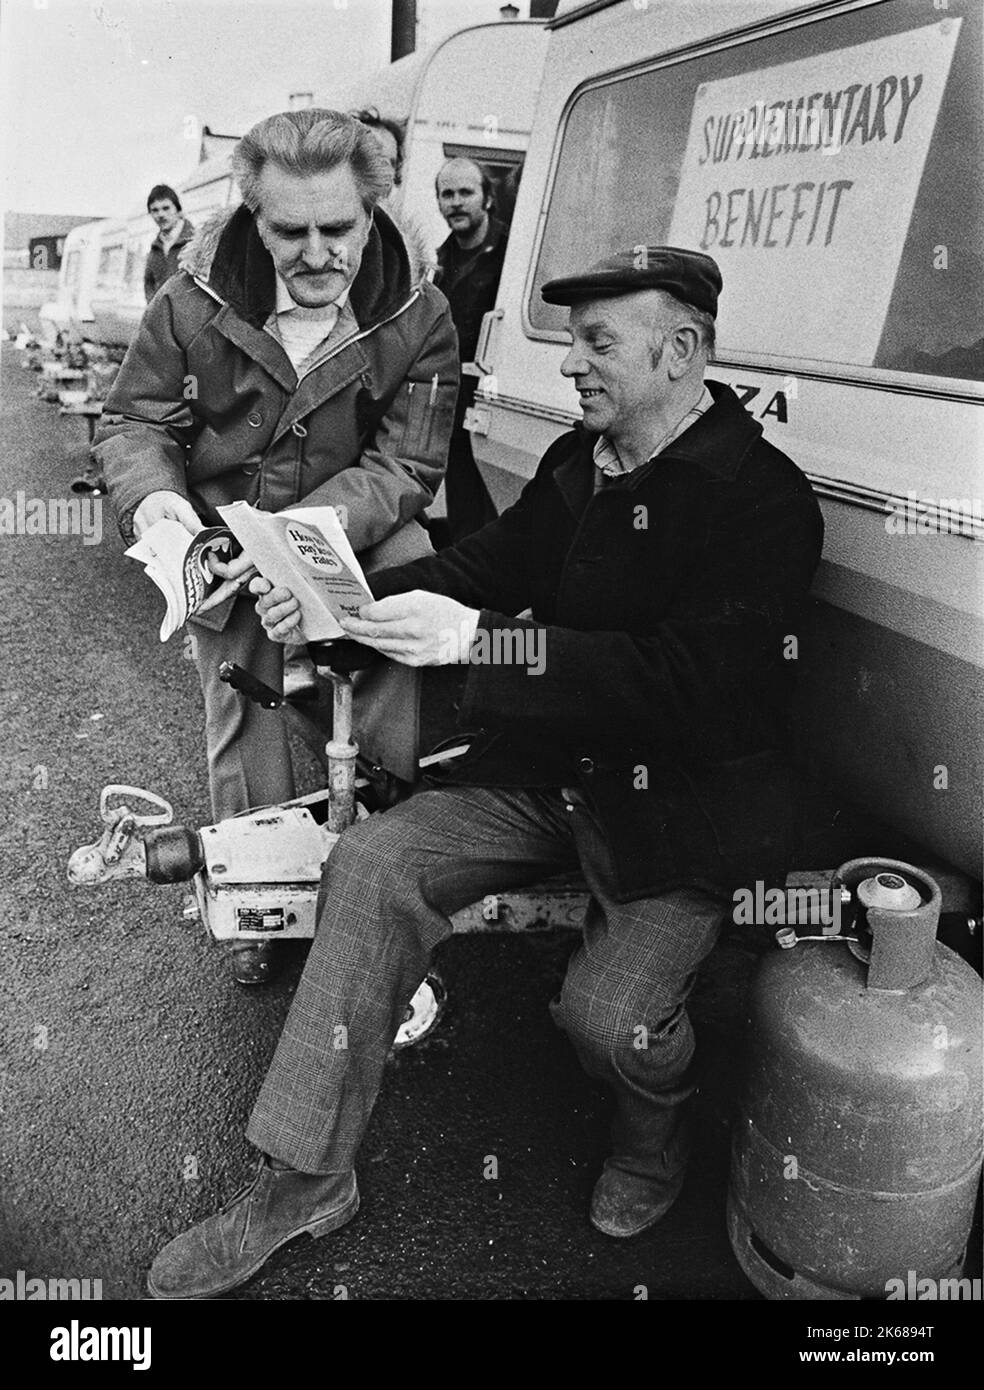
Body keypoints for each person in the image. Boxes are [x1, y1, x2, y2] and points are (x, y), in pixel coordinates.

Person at [144, 245, 824, 1299]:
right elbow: (483, 569)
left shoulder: (764, 504)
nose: (573, 369)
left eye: (598, 344)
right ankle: (307, 1177)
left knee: (612, 1021)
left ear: (682, 349)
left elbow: (692, 685)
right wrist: (348, 611)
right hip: (546, 771)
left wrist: (486, 642)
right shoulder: (580, 463)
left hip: (680, 808)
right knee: (370, 864)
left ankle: (652, 1135)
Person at [93, 110, 459, 984]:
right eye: (289, 231)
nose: (317, 253)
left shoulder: (421, 311)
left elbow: (409, 459)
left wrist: (299, 538)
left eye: (338, 228)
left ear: (372, 214)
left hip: (354, 528)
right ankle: (258, 896)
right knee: (241, 699)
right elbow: (135, 418)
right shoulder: (190, 301)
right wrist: (158, 506)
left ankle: (386, 863)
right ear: (253, 220)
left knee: (402, 600)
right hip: (223, 532)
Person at [433, 157, 508, 542]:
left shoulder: (510, 254)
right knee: (461, 490)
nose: (456, 202)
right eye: (448, 194)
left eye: (466, 192)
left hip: (494, 393)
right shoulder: (439, 260)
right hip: (453, 396)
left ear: (487, 198)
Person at [143, 185, 195, 303]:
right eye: (155, 210)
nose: (160, 214)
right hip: (161, 317)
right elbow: (149, 282)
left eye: (166, 208)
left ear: (178, 210)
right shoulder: (155, 247)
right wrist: (153, 308)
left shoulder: (194, 242)